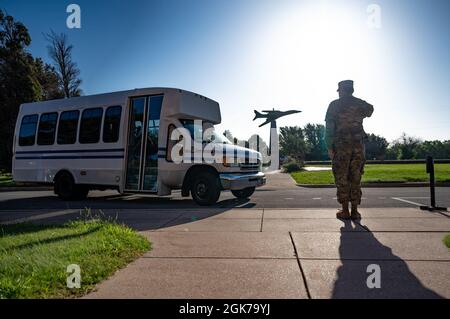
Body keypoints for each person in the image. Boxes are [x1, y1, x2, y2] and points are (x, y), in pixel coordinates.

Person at [325, 80, 374, 219]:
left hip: (341, 146)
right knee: (356, 177)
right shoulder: (360, 104)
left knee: (342, 177)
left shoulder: (334, 105)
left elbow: (329, 128)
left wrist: (329, 146)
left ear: (341, 90)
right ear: (351, 90)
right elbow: (370, 110)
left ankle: (345, 210)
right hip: (358, 146)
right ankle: (355, 211)